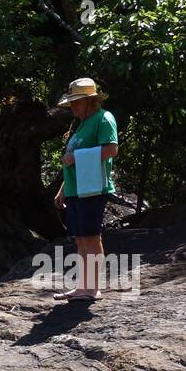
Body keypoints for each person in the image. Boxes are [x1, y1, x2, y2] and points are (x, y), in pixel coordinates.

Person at [52, 78, 119, 301]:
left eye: (76, 102)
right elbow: (71, 164)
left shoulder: (103, 119)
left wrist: (75, 158)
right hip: (76, 190)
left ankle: (93, 288)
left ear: (90, 100)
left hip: (93, 188)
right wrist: (63, 190)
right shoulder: (81, 125)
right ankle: (83, 285)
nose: (72, 107)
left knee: (91, 236)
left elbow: (111, 150)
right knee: (80, 238)